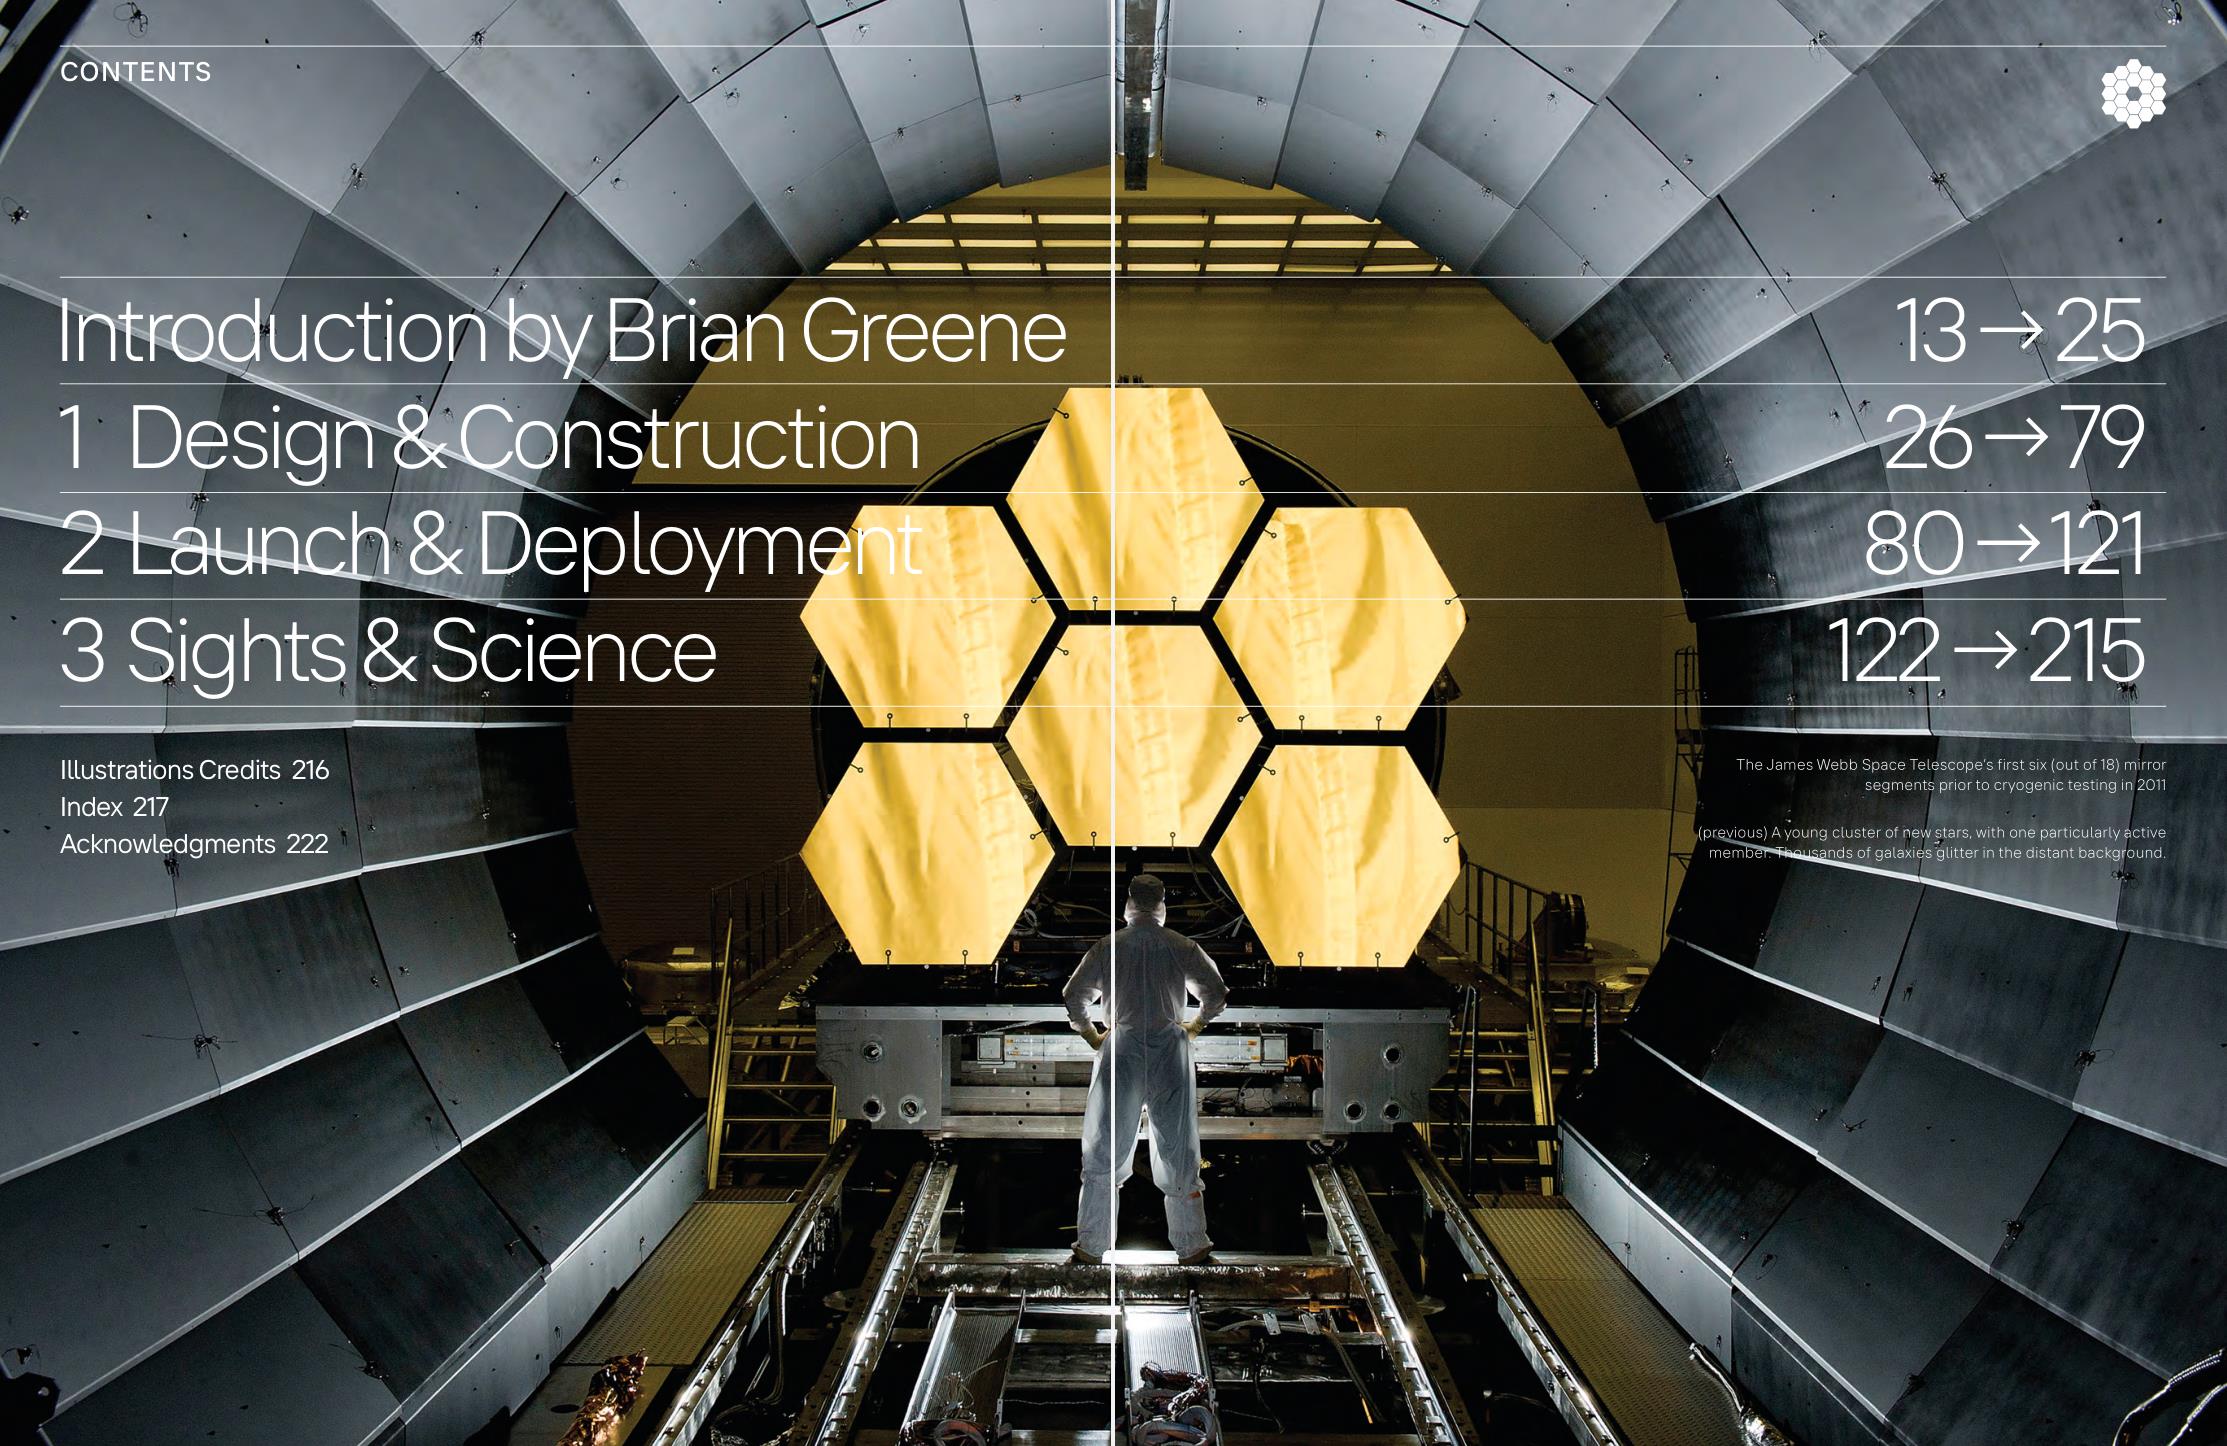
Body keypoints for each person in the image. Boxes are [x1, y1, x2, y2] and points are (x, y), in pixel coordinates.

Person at [1063, 874, 1228, 1266]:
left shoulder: (1108, 947)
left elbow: (1074, 996)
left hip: (1122, 1047)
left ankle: (1091, 1246)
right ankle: (1192, 1245)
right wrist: (1196, 1024)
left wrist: (1091, 1034)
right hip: (1170, 1047)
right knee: (1178, 1145)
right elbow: (1216, 993)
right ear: (1162, 904)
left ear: (1129, 904)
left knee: (1106, 1145)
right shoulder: (1181, 946)